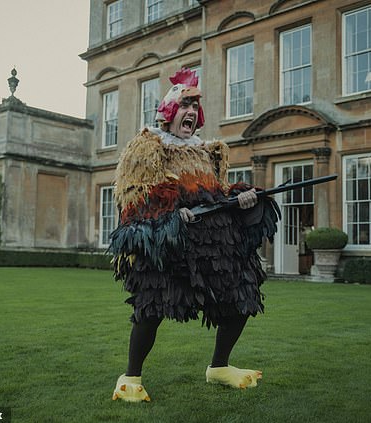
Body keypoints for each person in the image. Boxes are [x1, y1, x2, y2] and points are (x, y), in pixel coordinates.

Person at [108, 68, 279, 402]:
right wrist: (170, 212)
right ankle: (129, 379)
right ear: (170, 112)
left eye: (194, 107)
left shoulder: (208, 152)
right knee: (153, 306)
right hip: (173, 244)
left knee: (242, 295)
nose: (190, 112)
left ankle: (219, 367)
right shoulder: (149, 147)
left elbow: (217, 193)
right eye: (184, 105)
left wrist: (242, 198)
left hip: (213, 245)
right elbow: (134, 196)